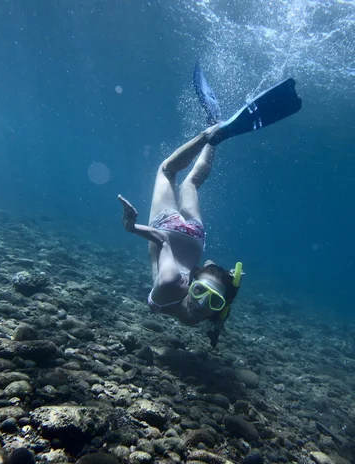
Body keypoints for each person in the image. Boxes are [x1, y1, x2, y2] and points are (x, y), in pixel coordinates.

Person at [118, 65, 301, 347]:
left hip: (195, 235)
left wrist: (217, 325)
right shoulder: (168, 284)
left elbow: (220, 298)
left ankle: (216, 133)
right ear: (191, 283)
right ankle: (207, 135)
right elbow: (163, 240)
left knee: (192, 183)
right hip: (169, 228)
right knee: (167, 171)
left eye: (211, 300)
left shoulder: (215, 310)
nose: (203, 305)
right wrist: (132, 228)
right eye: (203, 292)